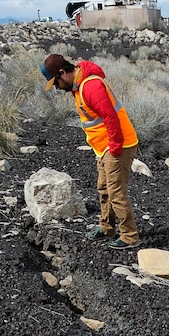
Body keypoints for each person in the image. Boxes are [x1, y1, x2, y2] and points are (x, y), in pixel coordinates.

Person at [41, 53, 140, 250]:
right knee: (104, 189)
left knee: (116, 192)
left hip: (118, 145)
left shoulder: (90, 86)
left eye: (56, 82)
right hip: (104, 147)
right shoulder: (79, 85)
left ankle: (130, 236)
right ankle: (107, 228)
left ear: (62, 73)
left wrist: (115, 147)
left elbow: (110, 117)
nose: (57, 88)